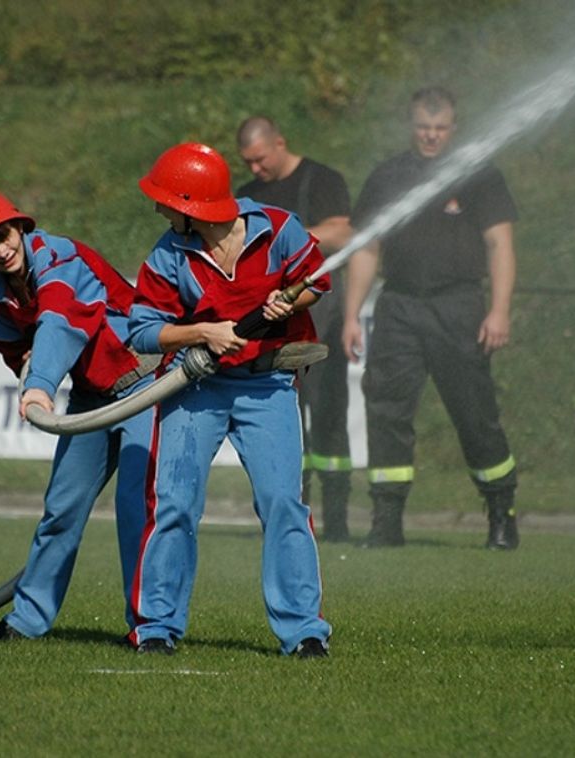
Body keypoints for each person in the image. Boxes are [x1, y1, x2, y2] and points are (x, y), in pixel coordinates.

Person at [127, 142, 333, 658]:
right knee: (174, 505)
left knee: (284, 503)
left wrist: (290, 298)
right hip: (195, 388)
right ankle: (157, 627)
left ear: (192, 205)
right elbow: (143, 331)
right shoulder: (168, 254)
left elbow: (318, 281)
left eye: (165, 201)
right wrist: (202, 333)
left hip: (268, 387)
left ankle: (304, 630)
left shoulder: (279, 227)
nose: (158, 210)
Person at [0, 190, 157, 642]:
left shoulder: (60, 256)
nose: (0, 251)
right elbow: (14, 350)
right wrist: (32, 374)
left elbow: (60, 321)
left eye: (3, 236)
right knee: (60, 510)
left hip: (144, 385)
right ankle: (26, 622)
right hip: (89, 398)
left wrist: (40, 386)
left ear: (20, 227)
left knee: (136, 508)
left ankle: (150, 627)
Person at [342, 86, 520, 551]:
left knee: (475, 414)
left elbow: (500, 244)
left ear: (454, 128)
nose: (431, 136)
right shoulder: (388, 177)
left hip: (458, 307)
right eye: (423, 127)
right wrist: (351, 316)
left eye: (440, 129)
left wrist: (499, 310)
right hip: (398, 306)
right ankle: (386, 522)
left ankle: (501, 513)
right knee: (386, 409)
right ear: (411, 124)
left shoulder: (478, 174)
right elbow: (366, 248)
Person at [236, 115, 355, 542]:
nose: (255, 170)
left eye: (261, 159)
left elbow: (343, 233)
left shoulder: (322, 180)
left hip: (320, 316)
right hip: (270, 323)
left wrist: (288, 238)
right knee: (283, 421)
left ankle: (338, 519)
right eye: (247, 162)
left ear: (280, 142)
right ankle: (288, 517)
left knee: (328, 416)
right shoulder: (247, 196)